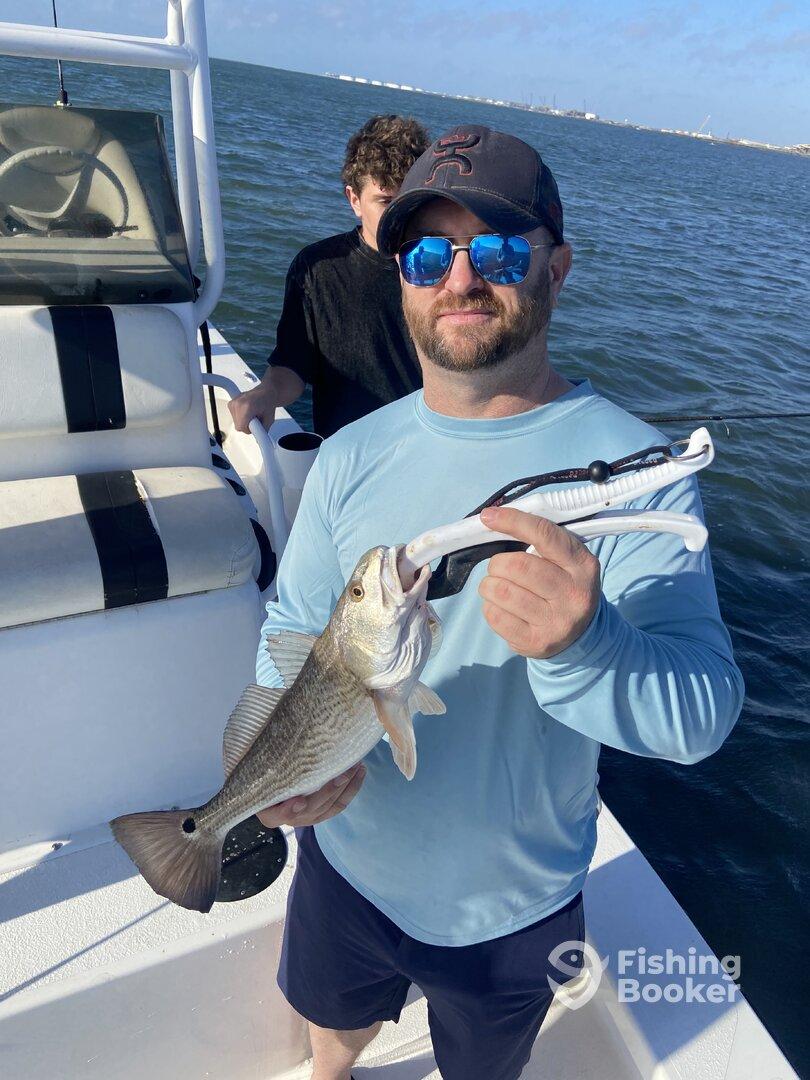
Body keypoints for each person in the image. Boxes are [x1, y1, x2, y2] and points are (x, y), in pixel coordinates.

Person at [253, 125, 744, 1080]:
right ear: (399, 272)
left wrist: (590, 643)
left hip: (512, 906)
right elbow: (290, 630)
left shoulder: (636, 478)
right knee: (331, 1024)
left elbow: (703, 716)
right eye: (429, 254)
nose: (460, 279)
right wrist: (290, 756)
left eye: (503, 251)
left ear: (558, 268)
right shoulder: (350, 453)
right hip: (346, 863)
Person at [228, 114, 429, 438]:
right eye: (386, 201)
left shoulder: (447, 269)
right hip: (346, 454)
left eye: (409, 202)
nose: (400, 215)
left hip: (429, 449)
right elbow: (292, 368)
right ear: (354, 199)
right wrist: (267, 392)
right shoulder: (316, 270)